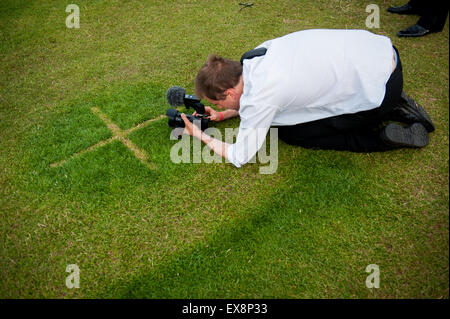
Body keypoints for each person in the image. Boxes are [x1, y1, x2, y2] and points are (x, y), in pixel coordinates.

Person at [180, 29, 435, 168]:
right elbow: (253, 102)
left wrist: (198, 135)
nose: (218, 106)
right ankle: (395, 104)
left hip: (380, 90)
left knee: (292, 133)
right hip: (383, 53)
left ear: (229, 93)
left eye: (218, 103)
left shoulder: (261, 98)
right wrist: (224, 114)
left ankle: (382, 136)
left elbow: (240, 156)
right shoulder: (255, 56)